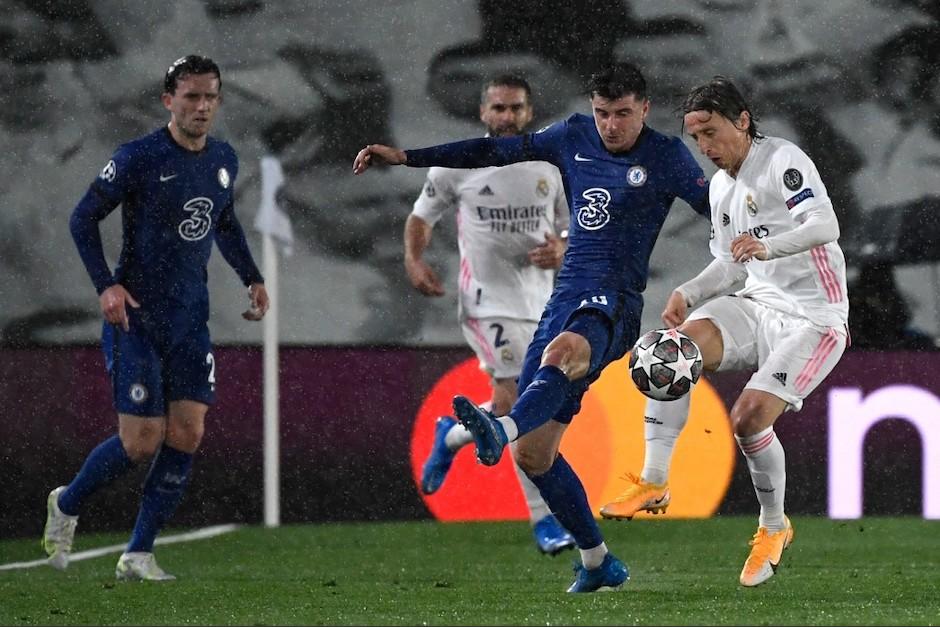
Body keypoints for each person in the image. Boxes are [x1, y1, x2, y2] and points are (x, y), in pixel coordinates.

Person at [354, 62, 710, 592]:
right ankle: (597, 562)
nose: (610, 125)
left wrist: (759, 247)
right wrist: (407, 158)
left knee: (559, 356)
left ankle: (499, 428)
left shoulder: (667, 156)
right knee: (535, 455)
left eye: (622, 114)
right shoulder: (572, 135)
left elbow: (718, 213)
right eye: (602, 113)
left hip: (614, 302)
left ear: (645, 110)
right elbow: (490, 153)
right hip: (559, 298)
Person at [599, 76, 849, 588]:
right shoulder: (720, 187)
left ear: (742, 121)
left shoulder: (782, 161)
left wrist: (768, 246)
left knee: (748, 419)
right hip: (755, 304)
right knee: (670, 351)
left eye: (712, 133)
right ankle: (654, 480)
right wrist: (688, 293)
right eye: (697, 139)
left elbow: (826, 227)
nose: (707, 148)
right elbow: (728, 265)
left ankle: (774, 528)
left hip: (814, 318)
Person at [42, 55, 270, 581]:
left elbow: (225, 222)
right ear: (169, 100)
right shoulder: (138, 157)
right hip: (137, 320)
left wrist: (252, 276)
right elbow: (83, 218)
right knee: (141, 441)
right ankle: (68, 502)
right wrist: (107, 286)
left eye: (210, 96)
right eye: (191, 96)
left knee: (187, 434)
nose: (202, 106)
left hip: (190, 321)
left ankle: (138, 553)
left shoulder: (224, 158)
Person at [410, 75, 575, 555]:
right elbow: (421, 217)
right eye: (498, 108)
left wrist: (562, 249)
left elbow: (574, 225)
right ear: (483, 112)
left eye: (516, 108)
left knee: (515, 410)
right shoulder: (456, 163)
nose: (507, 116)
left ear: (529, 112)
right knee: (520, 403)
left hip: (542, 305)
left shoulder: (550, 164)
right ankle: (544, 522)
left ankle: (455, 434)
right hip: (486, 301)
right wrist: (414, 259)